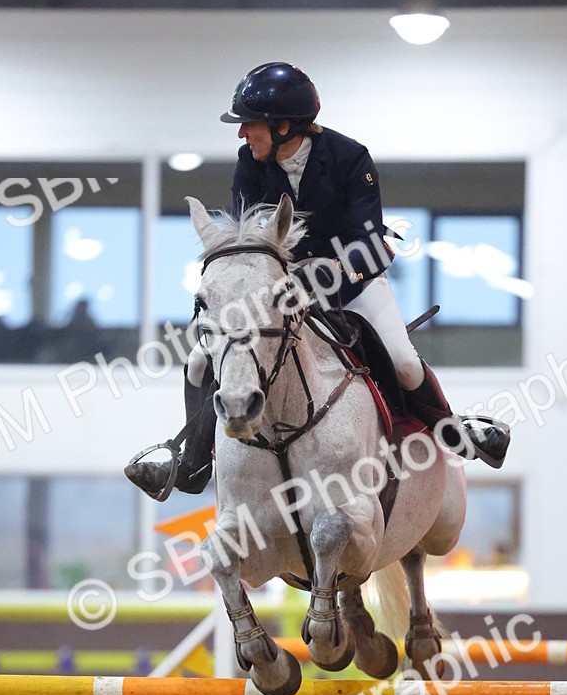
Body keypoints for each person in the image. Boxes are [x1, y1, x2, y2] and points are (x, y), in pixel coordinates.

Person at [126, 61, 510, 498]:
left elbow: (369, 242)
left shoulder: (350, 158)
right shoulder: (248, 165)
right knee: (199, 358)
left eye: (250, 125)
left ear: (284, 126)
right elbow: (252, 239)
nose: (241, 135)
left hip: (353, 283)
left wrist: (323, 283)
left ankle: (451, 430)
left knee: (402, 361)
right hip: (280, 289)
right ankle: (194, 459)